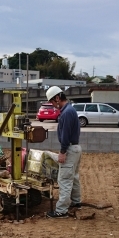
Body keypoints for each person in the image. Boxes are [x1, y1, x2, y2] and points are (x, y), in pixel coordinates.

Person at [45, 86, 82, 218]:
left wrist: (62, 152)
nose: (53, 106)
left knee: (64, 179)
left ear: (57, 98)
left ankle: (61, 210)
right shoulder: (71, 110)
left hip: (70, 149)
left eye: (52, 102)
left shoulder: (66, 113)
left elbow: (65, 135)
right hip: (76, 148)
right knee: (74, 176)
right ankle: (77, 201)